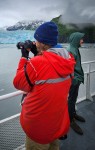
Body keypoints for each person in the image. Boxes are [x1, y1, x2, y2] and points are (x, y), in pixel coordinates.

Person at [13, 22, 75, 150]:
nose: (35, 43)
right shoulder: (68, 59)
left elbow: (18, 83)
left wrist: (24, 57)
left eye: (37, 41)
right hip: (56, 123)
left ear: (43, 43)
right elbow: (50, 70)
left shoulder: (37, 63)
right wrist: (40, 53)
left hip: (38, 127)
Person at [67, 32, 86, 135]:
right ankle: (70, 120)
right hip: (73, 80)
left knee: (73, 99)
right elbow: (68, 68)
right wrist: (74, 80)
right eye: (81, 39)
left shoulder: (74, 48)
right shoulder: (70, 50)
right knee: (71, 100)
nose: (82, 41)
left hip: (76, 79)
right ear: (76, 39)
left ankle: (73, 114)